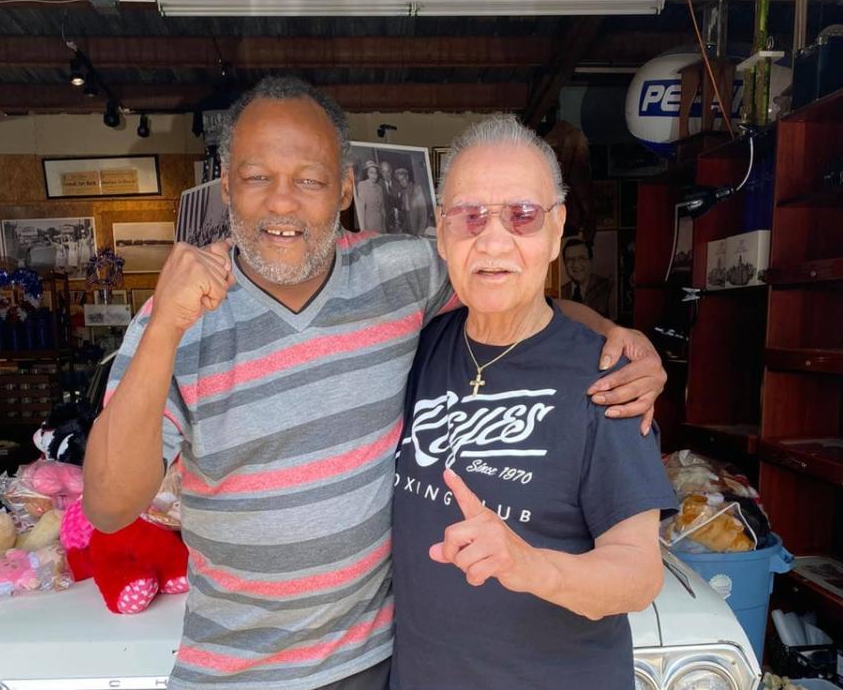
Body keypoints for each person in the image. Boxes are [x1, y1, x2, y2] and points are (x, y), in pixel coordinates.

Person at [84, 76, 667, 690]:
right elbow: (109, 504)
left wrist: (616, 335)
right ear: (226, 185)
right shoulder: (179, 317)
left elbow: (502, 286)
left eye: (308, 179)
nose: (282, 202)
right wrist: (163, 328)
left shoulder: (401, 277)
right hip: (233, 672)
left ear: (341, 190)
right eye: (258, 177)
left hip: (370, 666)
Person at [391, 116, 676, 690]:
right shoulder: (414, 352)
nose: (493, 241)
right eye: (470, 217)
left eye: (522, 215)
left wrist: (529, 566)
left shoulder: (607, 377)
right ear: (443, 235)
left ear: (555, 231)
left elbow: (639, 573)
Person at [561, 236, 612, 317]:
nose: (576, 265)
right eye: (570, 260)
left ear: (591, 262)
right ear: (565, 264)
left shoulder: (607, 288)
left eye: (582, 259)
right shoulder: (561, 292)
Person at [393, 168, 429, 235]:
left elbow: (423, 213)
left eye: (403, 179)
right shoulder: (402, 192)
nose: (402, 182)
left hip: (419, 229)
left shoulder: (416, 188)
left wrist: (420, 232)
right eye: (400, 180)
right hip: (410, 230)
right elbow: (406, 214)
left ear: (407, 177)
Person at [355, 160, 386, 233]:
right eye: (371, 172)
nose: (374, 175)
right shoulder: (362, 185)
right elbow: (361, 209)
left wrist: (384, 226)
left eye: (375, 173)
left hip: (381, 224)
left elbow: (382, 208)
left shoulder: (379, 187)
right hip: (369, 224)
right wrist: (363, 229)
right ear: (367, 174)